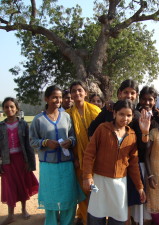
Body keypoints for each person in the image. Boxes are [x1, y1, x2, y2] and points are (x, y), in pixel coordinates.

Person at [82, 100, 146, 225]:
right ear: (114, 114)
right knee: (96, 214)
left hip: (119, 183)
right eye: (121, 114)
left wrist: (140, 187)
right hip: (99, 181)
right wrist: (87, 176)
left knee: (118, 217)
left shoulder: (132, 135)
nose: (125, 118)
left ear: (133, 117)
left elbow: (133, 164)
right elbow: (89, 154)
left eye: (129, 115)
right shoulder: (102, 129)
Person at [30, 85, 85, 225]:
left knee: (69, 197)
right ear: (46, 98)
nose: (58, 100)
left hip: (67, 164)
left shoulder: (66, 116)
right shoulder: (38, 120)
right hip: (49, 166)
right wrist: (45, 142)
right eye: (54, 97)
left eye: (60, 97)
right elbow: (32, 141)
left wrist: (70, 141)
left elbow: (73, 136)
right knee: (51, 198)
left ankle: (67, 222)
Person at [65, 81, 101, 225]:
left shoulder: (95, 111)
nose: (77, 93)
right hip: (78, 159)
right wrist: (74, 157)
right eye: (74, 91)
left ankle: (97, 217)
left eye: (80, 90)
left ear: (85, 93)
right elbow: (67, 138)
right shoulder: (66, 115)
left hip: (97, 159)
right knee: (83, 190)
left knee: (97, 190)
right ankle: (86, 219)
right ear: (71, 95)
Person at [0, 97, 38, 225]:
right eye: (6, 107)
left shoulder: (23, 124)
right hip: (7, 162)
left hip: (22, 160)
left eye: (12, 106)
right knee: (9, 187)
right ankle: (10, 215)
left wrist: (30, 162)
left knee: (22, 185)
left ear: (16, 108)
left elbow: (28, 144)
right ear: (3, 109)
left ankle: (23, 209)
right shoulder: (1, 126)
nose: (9, 109)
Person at [130, 86, 159, 224]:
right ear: (139, 99)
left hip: (154, 163)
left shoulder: (158, 117)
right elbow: (142, 146)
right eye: (144, 99)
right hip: (139, 163)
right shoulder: (135, 116)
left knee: (150, 201)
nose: (147, 103)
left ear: (155, 101)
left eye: (150, 100)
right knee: (138, 201)